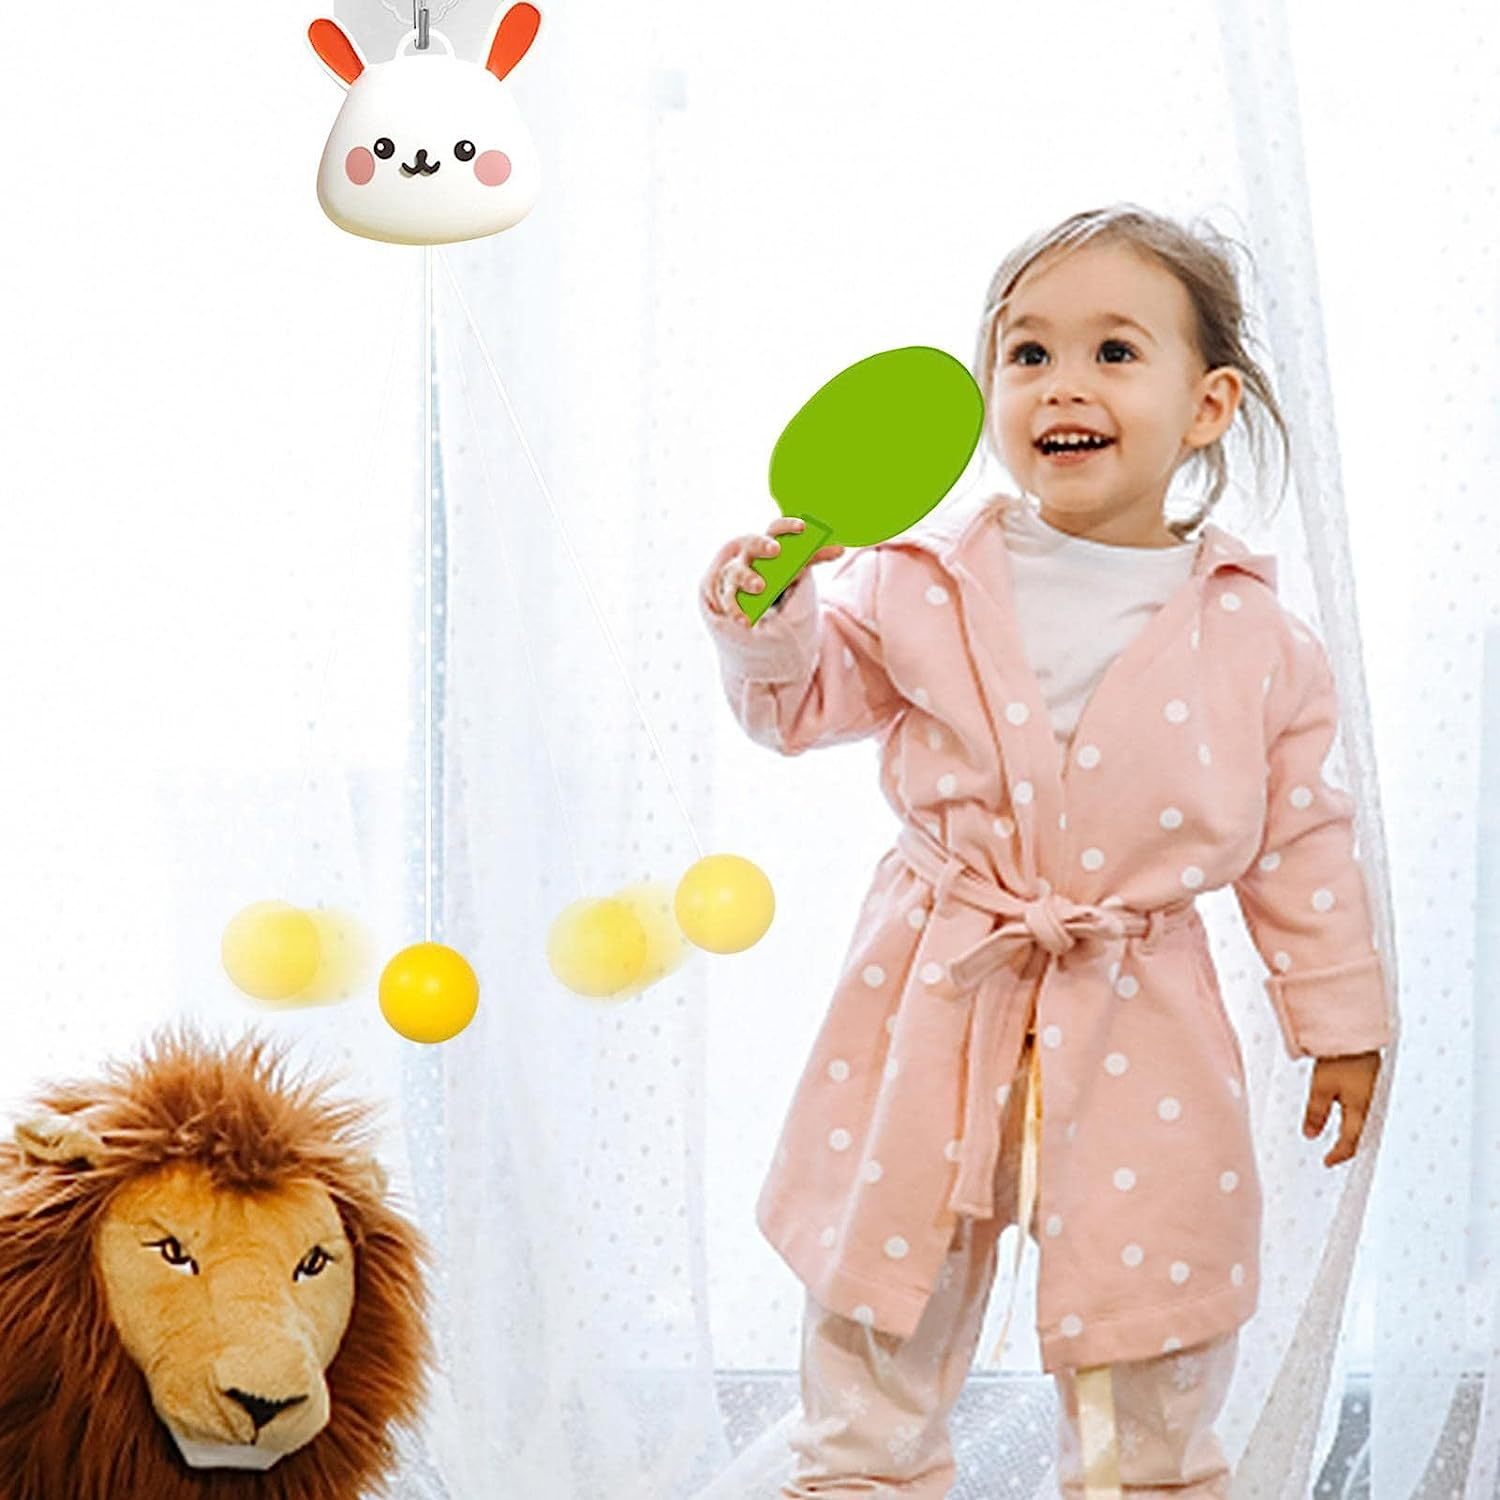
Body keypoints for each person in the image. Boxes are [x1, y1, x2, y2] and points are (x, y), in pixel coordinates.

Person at [696, 205, 1393, 1498]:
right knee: (881, 1307)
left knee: (1147, 1322)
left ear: (1208, 405)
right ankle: (859, 1479)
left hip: (1140, 1009)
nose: (1063, 385)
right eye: (1028, 355)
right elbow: (800, 707)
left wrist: (1341, 1020)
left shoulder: (1259, 640)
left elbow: (1301, 837)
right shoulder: (916, 578)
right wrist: (771, 618)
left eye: (1114, 352)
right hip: (931, 991)